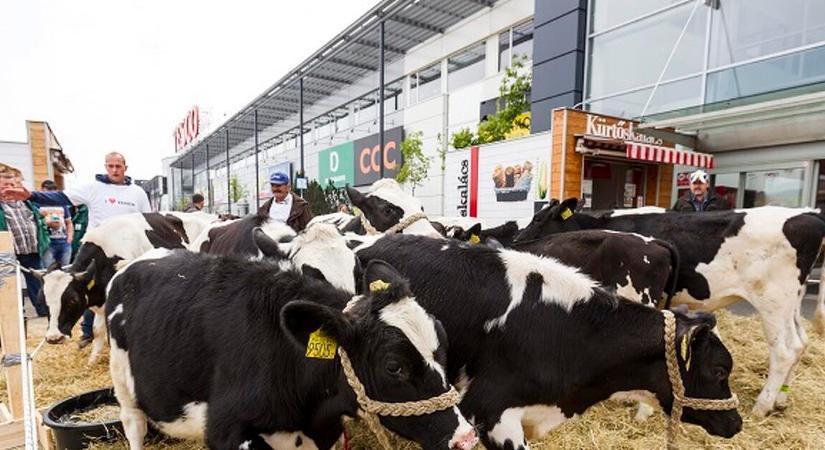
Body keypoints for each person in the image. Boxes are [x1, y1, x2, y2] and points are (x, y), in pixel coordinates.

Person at [2, 152, 151, 347]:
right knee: (87, 290)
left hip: (129, 252)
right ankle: (88, 333)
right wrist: (31, 195)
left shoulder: (137, 192)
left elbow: (147, 219)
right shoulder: (93, 188)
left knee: (131, 291)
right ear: (105, 166)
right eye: (111, 166)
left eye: (118, 166)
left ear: (125, 167)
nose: (114, 170)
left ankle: (132, 334)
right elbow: (61, 197)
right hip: (98, 250)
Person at [0, 169, 50, 317]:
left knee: (36, 281)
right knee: (10, 283)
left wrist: (44, 239)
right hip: (9, 252)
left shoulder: (26, 203)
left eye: (12, 184)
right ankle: (17, 313)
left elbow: (39, 222)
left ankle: (43, 311)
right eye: (4, 184)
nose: (8, 187)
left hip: (31, 250)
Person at [38, 180, 74, 267]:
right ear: (42, 191)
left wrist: (69, 238)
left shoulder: (62, 204)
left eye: (53, 191)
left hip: (63, 241)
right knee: (48, 270)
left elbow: (69, 222)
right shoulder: (37, 204)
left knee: (65, 269)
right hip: (47, 243)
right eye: (48, 191)